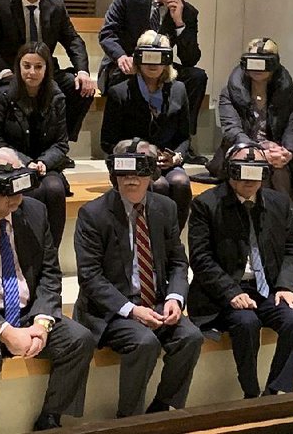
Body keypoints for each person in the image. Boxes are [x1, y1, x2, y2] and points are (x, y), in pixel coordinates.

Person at [0, 147, 94, 433]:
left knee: (80, 339)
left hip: (28, 313)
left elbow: (50, 272)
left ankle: (51, 417)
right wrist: (5, 331)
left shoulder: (35, 212)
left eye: (20, 189)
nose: (15, 199)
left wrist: (42, 322)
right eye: (6, 192)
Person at [74, 138, 202, 417]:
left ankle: (162, 408)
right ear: (113, 174)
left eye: (139, 172)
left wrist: (175, 298)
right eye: (124, 172)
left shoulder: (165, 208)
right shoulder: (92, 214)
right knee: (145, 342)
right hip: (111, 310)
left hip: (154, 301)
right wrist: (132, 310)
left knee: (190, 336)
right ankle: (129, 420)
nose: (132, 180)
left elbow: (179, 262)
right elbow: (90, 278)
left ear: (152, 174)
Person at [188, 143, 293, 398]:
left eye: (256, 172)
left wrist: (286, 285)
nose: (249, 180)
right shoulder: (206, 204)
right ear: (229, 171)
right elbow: (201, 258)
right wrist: (231, 292)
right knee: (246, 322)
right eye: (242, 171)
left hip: (269, 287)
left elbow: (292, 250)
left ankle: (273, 392)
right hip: (224, 293)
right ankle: (250, 394)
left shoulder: (279, 202)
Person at [98, 0, 207, 165]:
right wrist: (120, 56)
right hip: (127, 63)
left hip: (160, 66)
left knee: (197, 77)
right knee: (123, 78)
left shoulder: (188, 12)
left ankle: (183, 144)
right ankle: (125, 144)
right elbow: (107, 34)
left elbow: (190, 58)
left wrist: (179, 24)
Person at [0, 0, 95, 145]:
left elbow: (73, 40)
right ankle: (12, 148)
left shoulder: (56, 5)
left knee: (82, 88)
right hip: (9, 72)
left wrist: (83, 71)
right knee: (13, 93)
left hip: (45, 71)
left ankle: (59, 146)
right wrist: (5, 72)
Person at [0, 42, 69, 248]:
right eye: (27, 65)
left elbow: (61, 143)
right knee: (31, 190)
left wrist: (43, 163)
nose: (32, 72)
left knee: (55, 189)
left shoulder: (57, 97)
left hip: (44, 166)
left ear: (47, 69)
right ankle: (27, 250)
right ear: (18, 66)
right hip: (9, 165)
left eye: (38, 67)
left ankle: (51, 254)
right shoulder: (2, 95)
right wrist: (25, 162)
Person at [100, 30, 192, 230]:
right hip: (132, 162)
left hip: (166, 161)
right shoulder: (120, 92)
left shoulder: (179, 90)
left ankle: (172, 238)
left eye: (159, 58)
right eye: (147, 57)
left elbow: (184, 136)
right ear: (138, 58)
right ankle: (151, 239)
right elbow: (107, 142)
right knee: (158, 185)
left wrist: (176, 157)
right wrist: (139, 154)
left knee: (180, 183)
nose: (153, 64)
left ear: (167, 60)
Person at [207, 38, 293, 195]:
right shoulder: (230, 92)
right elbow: (232, 130)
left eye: (264, 63)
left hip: (274, 153)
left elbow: (292, 127)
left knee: (279, 170)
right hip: (240, 150)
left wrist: (287, 152)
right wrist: (258, 151)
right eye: (253, 62)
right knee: (258, 167)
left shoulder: (287, 94)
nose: (257, 68)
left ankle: (283, 217)